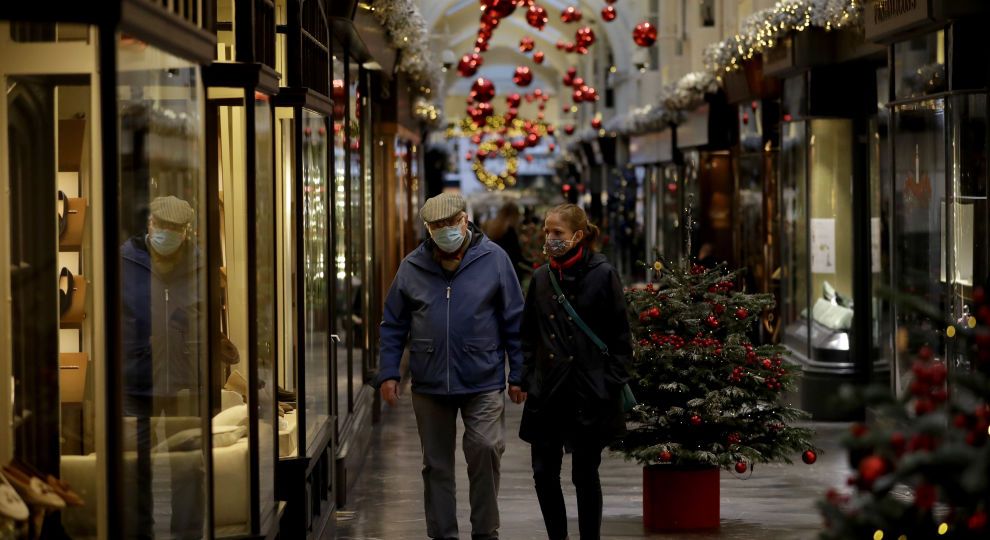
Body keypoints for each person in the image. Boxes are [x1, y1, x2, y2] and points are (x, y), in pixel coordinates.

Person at [377, 192, 527, 540]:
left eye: (450, 224)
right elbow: (393, 323)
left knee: (486, 450)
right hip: (429, 381)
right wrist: (388, 372)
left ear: (464, 220)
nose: (444, 231)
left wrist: (518, 373)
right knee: (436, 464)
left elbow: (514, 320)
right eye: (436, 226)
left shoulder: (494, 259)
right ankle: (443, 533)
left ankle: (485, 530)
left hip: (483, 377)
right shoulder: (412, 266)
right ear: (427, 229)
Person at [518, 203, 633, 540]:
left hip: (588, 391)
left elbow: (620, 335)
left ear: (578, 236)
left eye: (558, 233)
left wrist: (609, 381)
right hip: (547, 391)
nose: (550, 238)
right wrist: (526, 378)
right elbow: (528, 335)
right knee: (543, 472)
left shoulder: (603, 273)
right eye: (547, 231)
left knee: (585, 474)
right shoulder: (541, 278)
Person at [121, 195, 205, 539]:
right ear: (150, 225)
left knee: (188, 471)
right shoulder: (124, 262)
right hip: (134, 383)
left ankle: (186, 536)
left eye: (176, 229)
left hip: (185, 384)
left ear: (186, 231)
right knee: (133, 470)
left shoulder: (198, 263)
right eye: (163, 227)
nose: (168, 234)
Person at [484, 201, 529, 282]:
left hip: (495, 267)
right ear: (514, 215)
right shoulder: (510, 230)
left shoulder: (493, 227)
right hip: (509, 269)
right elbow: (516, 255)